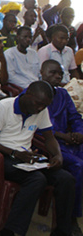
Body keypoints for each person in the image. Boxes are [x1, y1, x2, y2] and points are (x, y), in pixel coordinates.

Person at [0, 81, 75, 236]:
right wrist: (14, 153)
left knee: (66, 179)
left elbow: (49, 137)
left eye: (44, 106)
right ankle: (11, 231)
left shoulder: (40, 110)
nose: (40, 108)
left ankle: (62, 231)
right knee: (36, 180)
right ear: (28, 95)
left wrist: (57, 155)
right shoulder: (4, 107)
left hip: (26, 158)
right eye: (38, 104)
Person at [40, 59, 83, 220]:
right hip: (48, 144)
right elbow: (37, 128)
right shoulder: (35, 93)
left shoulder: (63, 93)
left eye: (60, 74)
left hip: (69, 141)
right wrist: (62, 136)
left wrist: (79, 132)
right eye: (53, 73)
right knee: (78, 165)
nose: (58, 77)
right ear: (42, 73)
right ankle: (72, 216)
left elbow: (75, 117)